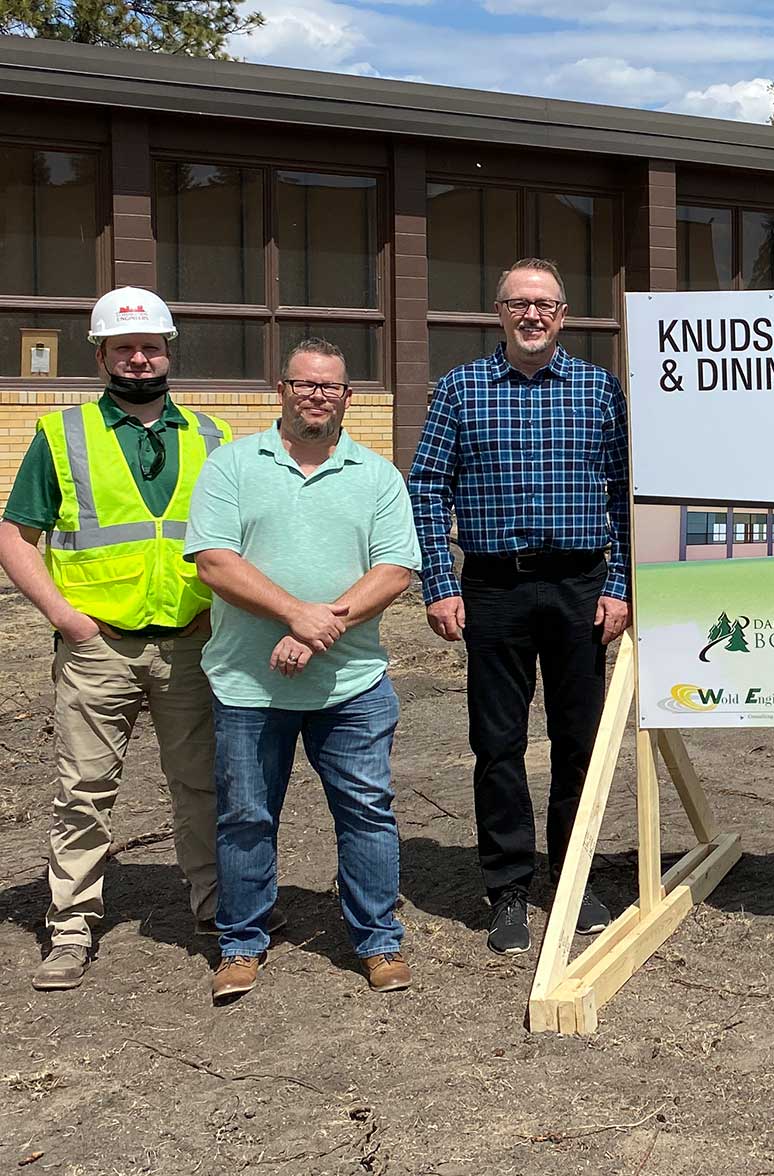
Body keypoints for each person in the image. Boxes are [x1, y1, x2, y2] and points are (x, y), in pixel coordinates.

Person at [0, 288, 233, 990]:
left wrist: (215, 614)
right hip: (97, 648)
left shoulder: (213, 436)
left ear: (169, 351)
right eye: (125, 348)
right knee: (85, 791)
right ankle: (69, 928)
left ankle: (217, 912)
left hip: (189, 644)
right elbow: (16, 535)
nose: (139, 358)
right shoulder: (62, 435)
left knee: (201, 786)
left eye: (151, 346)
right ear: (100, 355)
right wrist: (66, 619)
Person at [408, 257, 632, 955]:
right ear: (499, 313)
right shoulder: (460, 390)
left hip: (579, 587)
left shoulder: (599, 390)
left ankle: (572, 878)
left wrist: (621, 584)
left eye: (546, 305)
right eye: (519, 304)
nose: (532, 315)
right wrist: (440, 582)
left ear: (562, 316)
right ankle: (506, 887)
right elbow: (425, 489)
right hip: (494, 589)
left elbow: (627, 492)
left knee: (579, 741)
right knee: (498, 745)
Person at [186, 338, 421, 1001]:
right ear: (282, 390)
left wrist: (322, 628)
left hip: (352, 685)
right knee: (246, 816)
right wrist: (296, 614)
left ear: (347, 397)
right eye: (305, 384)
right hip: (247, 684)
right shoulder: (231, 467)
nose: (318, 395)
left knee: (368, 813)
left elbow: (395, 569)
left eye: (332, 387)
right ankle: (240, 943)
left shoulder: (375, 475)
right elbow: (214, 562)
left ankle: (378, 941)